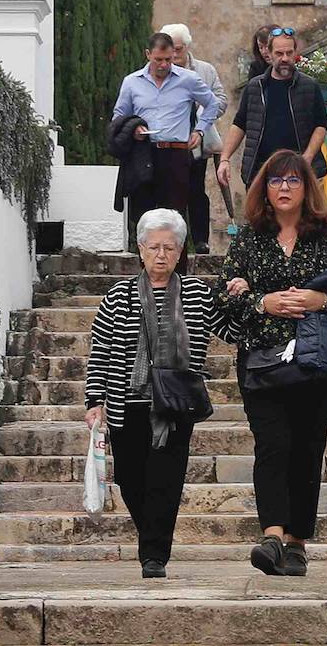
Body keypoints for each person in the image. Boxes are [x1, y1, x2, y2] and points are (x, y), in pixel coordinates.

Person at [216, 150, 327, 577]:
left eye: (292, 181)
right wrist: (262, 301)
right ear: (264, 187)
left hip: (316, 362)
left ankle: (297, 542)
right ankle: (273, 536)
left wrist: (321, 299)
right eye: (275, 181)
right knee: (272, 446)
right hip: (262, 362)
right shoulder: (249, 239)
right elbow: (224, 299)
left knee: (307, 449)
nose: (283, 188)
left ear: (305, 187)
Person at [84, 208, 238, 578]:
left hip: (174, 403)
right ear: (140, 250)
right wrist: (95, 400)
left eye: (169, 248)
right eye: (153, 247)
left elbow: (231, 331)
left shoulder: (198, 294)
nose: (161, 255)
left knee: (166, 481)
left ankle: (153, 556)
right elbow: (100, 349)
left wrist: (238, 294)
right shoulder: (118, 296)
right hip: (126, 403)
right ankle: (151, 537)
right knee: (132, 480)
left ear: (180, 250)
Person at [111, 31, 220, 268]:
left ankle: (178, 277)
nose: (163, 65)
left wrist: (200, 130)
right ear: (148, 54)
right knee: (144, 217)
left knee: (175, 217)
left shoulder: (188, 79)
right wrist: (133, 129)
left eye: (168, 60)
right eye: (158, 59)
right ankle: (146, 275)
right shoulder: (132, 82)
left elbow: (213, 102)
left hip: (175, 153)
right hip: (143, 153)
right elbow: (119, 115)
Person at [218, 27, 327, 195]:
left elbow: (321, 125)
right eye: (279, 53)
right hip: (260, 171)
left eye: (289, 53)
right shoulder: (255, 87)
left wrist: (308, 157)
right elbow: (239, 124)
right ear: (269, 54)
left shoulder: (309, 86)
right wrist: (225, 159)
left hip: (299, 172)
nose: (285, 58)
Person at [160, 22, 232, 253]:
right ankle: (171, 240)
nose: (174, 53)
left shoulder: (205, 70)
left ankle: (200, 240)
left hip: (197, 140)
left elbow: (221, 100)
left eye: (179, 48)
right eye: (171, 48)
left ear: (187, 47)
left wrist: (204, 110)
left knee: (196, 190)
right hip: (168, 141)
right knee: (169, 192)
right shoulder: (158, 69)